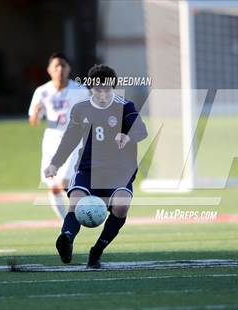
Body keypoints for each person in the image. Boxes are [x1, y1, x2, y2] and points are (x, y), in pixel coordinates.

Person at [44, 64, 148, 268]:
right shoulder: (81, 109)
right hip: (88, 170)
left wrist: (127, 136)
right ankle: (66, 239)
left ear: (113, 88)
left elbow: (142, 131)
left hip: (119, 172)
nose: (102, 94)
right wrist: (55, 164)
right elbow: (70, 139)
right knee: (75, 202)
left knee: (121, 206)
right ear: (91, 88)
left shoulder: (125, 106)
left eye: (107, 89)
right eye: (98, 89)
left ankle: (97, 251)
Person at [28, 52, 89, 220]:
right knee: (53, 186)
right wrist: (35, 114)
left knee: (64, 182)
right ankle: (65, 223)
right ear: (49, 70)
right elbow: (33, 121)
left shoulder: (80, 90)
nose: (60, 69)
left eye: (63, 65)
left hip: (73, 139)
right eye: (56, 66)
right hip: (51, 140)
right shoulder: (42, 91)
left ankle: (87, 204)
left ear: (69, 69)